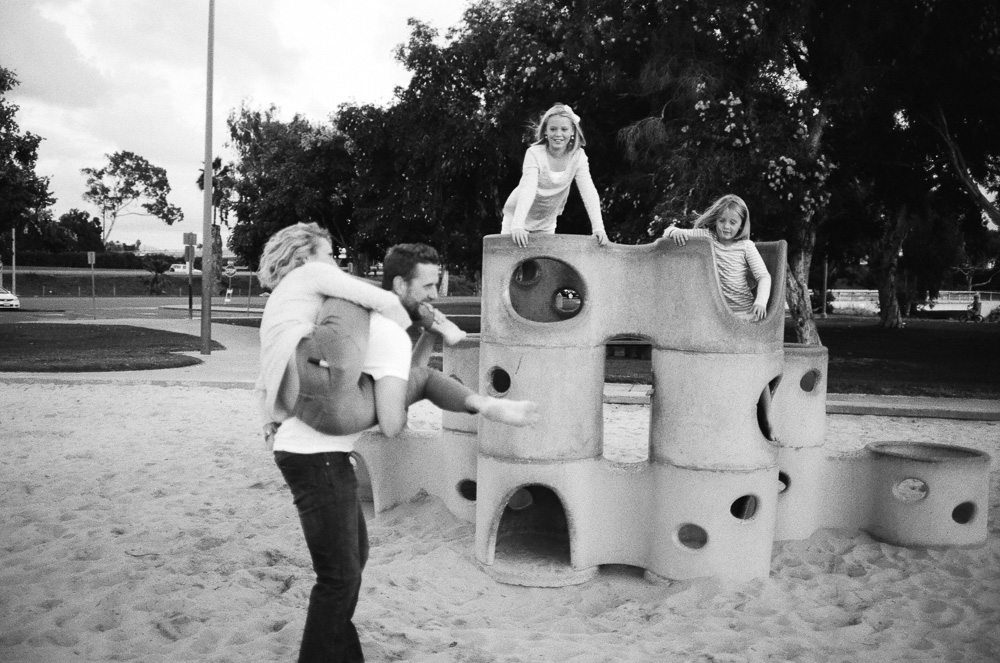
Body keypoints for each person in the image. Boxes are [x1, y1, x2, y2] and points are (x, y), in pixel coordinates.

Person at [256, 225, 538, 663]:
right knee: (339, 577)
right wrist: (415, 351)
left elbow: (407, 373)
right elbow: (392, 423)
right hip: (316, 459)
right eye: (428, 286)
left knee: (353, 562)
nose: (436, 295)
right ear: (400, 285)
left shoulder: (345, 319)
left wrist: (424, 341)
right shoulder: (367, 317)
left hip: (324, 454)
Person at [501, 103, 608, 247]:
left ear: (573, 132)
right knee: (511, 263)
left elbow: (589, 192)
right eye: (553, 129)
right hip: (517, 219)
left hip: (546, 222)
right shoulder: (534, 153)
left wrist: (598, 228)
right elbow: (528, 189)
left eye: (564, 129)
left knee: (537, 266)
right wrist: (518, 225)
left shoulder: (578, 156)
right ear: (545, 131)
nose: (558, 134)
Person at [662, 194, 772, 323]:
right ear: (716, 220)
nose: (726, 226)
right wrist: (674, 232)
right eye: (722, 220)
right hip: (715, 312)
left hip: (743, 310)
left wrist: (760, 302)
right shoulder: (707, 237)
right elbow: (668, 232)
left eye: (732, 222)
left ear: (741, 226)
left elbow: (763, 276)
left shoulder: (746, 246)